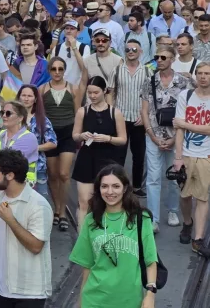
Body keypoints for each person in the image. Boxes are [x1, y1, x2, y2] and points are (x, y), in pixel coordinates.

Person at [69, 164, 158, 308]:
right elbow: (87, 267)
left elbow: (151, 261)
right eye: (104, 186)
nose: (110, 191)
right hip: (94, 300)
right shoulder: (91, 220)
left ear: (125, 188)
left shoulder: (141, 218)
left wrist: (150, 294)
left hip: (129, 301)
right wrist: (80, 303)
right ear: (98, 189)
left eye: (116, 186)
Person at [0, 149, 53, 308]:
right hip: (0, 289)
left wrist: (11, 221)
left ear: (10, 175)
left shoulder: (38, 205)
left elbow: (36, 246)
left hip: (29, 293)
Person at [140, 44, 189, 232]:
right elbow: (144, 111)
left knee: (174, 176)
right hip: (153, 135)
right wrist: (151, 134)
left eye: (163, 57)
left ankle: (173, 211)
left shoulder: (183, 83)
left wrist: (175, 137)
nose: (159, 60)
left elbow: (187, 112)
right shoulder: (149, 81)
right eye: (157, 57)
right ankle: (153, 218)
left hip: (176, 136)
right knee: (153, 178)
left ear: (172, 59)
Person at [73, 76, 128, 227]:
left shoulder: (114, 113)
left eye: (95, 92)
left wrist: (108, 138)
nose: (92, 96)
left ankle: (108, 234)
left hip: (108, 161)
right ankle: (82, 241)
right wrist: (81, 136)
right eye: (89, 93)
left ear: (104, 91)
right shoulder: (82, 111)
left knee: (108, 202)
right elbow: (75, 135)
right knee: (84, 202)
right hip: (86, 159)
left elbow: (123, 139)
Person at [172, 61, 210, 253]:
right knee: (185, 195)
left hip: (207, 156)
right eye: (200, 73)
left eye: (207, 73)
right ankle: (187, 222)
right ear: (196, 76)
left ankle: (198, 238)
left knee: (202, 197)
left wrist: (186, 125)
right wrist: (178, 157)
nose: (203, 77)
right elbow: (178, 130)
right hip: (186, 154)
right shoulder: (185, 96)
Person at [41, 56, 82, 231]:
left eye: (60, 69)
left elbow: (78, 112)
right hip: (50, 134)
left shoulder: (73, 89)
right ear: (49, 71)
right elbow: (39, 114)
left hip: (67, 133)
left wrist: (78, 135)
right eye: (54, 69)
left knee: (64, 174)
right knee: (53, 174)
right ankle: (57, 207)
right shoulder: (42, 89)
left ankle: (62, 212)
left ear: (65, 70)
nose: (57, 72)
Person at [112, 39, 150, 195]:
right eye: (128, 49)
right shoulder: (117, 70)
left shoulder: (148, 72)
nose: (131, 51)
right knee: (118, 155)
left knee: (139, 155)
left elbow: (152, 97)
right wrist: (111, 112)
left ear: (140, 51)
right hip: (121, 118)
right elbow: (111, 92)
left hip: (139, 119)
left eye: (135, 48)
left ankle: (136, 187)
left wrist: (146, 115)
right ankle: (118, 184)